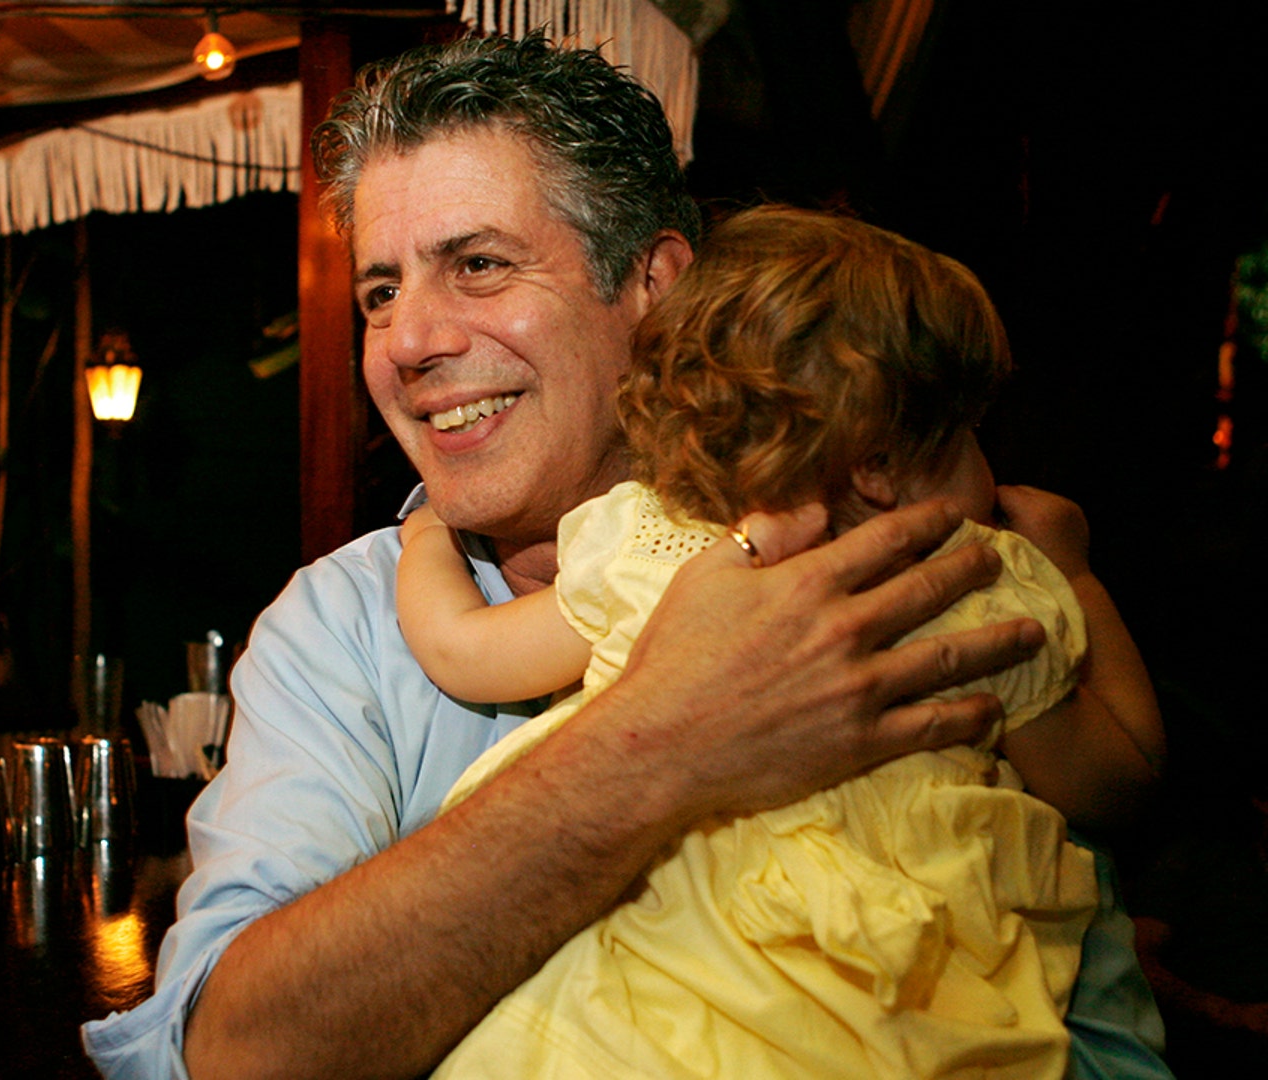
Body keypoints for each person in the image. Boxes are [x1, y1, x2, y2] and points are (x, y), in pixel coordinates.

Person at [82, 32, 1170, 1080]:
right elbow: (234, 1052)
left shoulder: (888, 563)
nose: (408, 342)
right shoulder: (340, 628)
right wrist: (664, 743)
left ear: (653, 285)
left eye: (477, 264)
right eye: (380, 292)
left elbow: (1096, 1028)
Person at [395, 206, 1166, 1079]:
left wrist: (427, 535)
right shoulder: (975, 586)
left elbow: (461, 647)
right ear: (879, 464)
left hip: (637, 995)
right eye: (966, 433)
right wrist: (1079, 575)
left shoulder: (655, 542)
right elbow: (1119, 778)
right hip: (871, 1012)